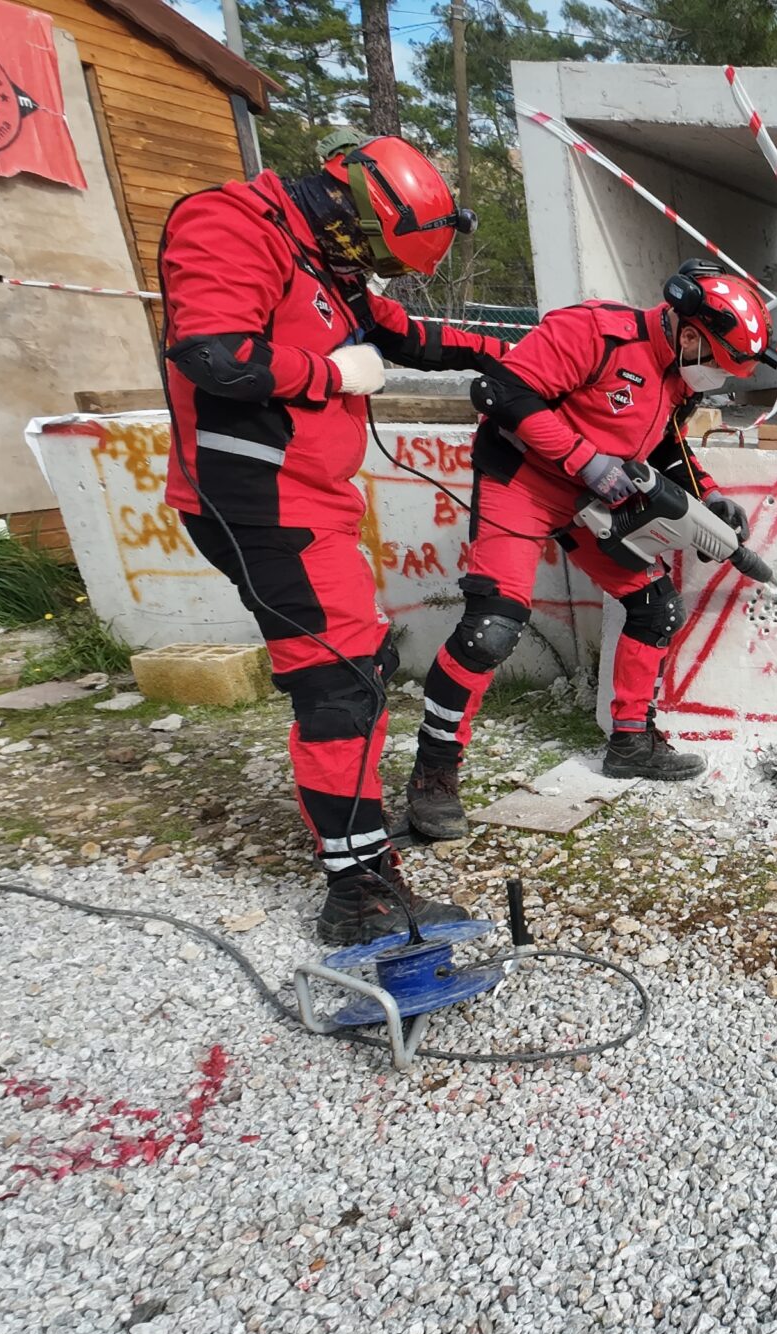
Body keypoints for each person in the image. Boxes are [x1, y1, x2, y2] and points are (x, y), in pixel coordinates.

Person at [157, 131, 511, 944]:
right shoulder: (232, 223)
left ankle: (360, 862)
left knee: (358, 668)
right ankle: (359, 898)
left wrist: (531, 354)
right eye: (379, 256)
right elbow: (214, 353)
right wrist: (330, 377)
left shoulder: (326, 263)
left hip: (309, 500)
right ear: (356, 212)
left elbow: (405, 334)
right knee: (341, 684)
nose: (376, 274)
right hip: (259, 500)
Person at [400, 260, 777, 841]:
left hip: (594, 501)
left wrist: (710, 497)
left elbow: (667, 449)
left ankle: (631, 742)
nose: (717, 380)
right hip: (522, 481)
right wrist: (585, 459)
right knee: (492, 628)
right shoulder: (596, 332)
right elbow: (501, 392)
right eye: (718, 365)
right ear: (690, 332)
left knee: (656, 608)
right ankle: (434, 772)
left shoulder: (680, 376)